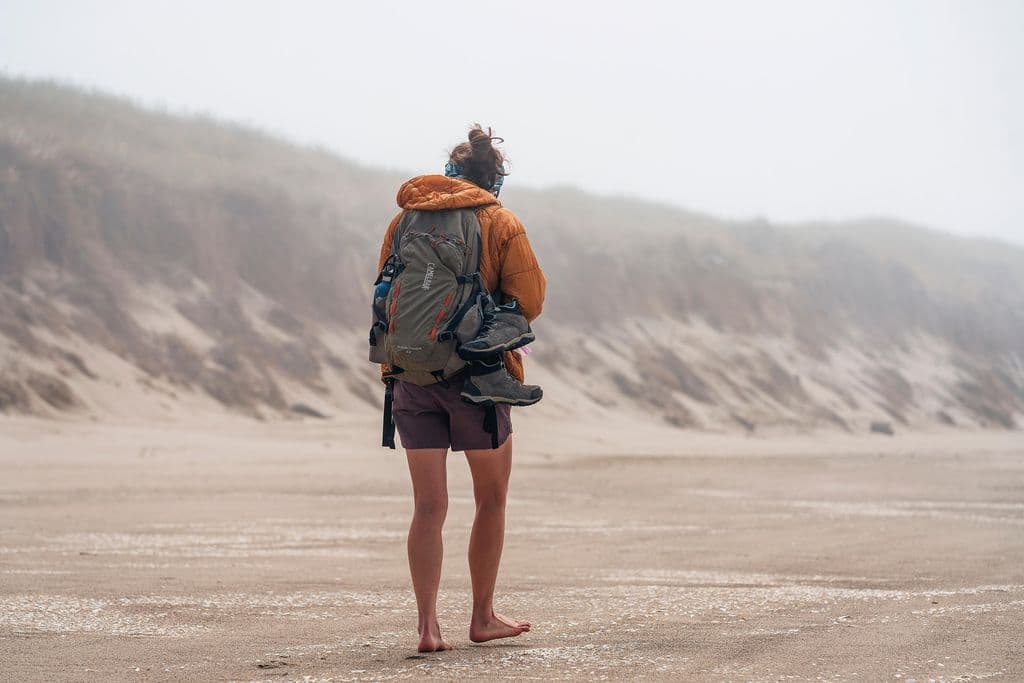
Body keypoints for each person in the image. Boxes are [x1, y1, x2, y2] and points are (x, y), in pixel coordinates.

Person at [375, 125, 546, 652]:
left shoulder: (405, 219)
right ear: (494, 179)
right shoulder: (500, 221)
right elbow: (530, 298)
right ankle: (482, 615)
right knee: (490, 498)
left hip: (411, 377)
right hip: (478, 381)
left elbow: (386, 288)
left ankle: (428, 627)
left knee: (429, 505)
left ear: (449, 173)